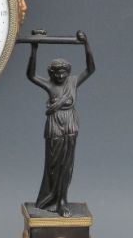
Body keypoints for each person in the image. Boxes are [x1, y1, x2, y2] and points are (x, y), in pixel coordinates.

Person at [26, 31, 95, 217]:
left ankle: (62, 201)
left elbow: (90, 69)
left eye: (63, 72)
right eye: (56, 72)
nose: (60, 75)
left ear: (68, 72)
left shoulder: (73, 82)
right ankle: (50, 200)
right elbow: (31, 75)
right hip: (55, 125)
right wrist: (34, 48)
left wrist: (86, 44)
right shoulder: (50, 85)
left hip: (70, 124)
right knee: (53, 164)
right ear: (51, 73)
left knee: (67, 165)